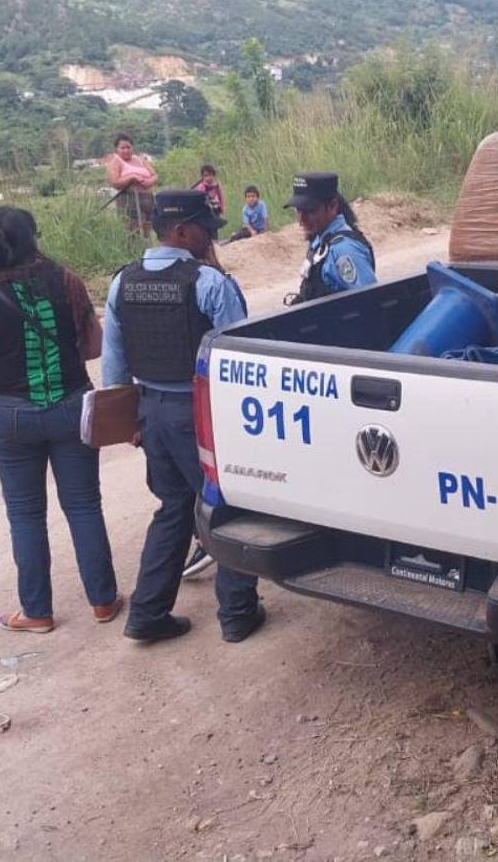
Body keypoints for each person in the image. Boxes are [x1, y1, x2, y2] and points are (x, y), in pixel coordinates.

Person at [101, 189, 265, 644]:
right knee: (227, 508)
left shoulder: (122, 282)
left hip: (151, 412)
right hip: (200, 416)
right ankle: (237, 612)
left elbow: (114, 364)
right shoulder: (208, 283)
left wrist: (130, 421)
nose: (210, 237)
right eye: (204, 229)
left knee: (173, 508)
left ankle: (147, 613)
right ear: (181, 231)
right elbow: (238, 357)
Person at [0, 207, 122, 634]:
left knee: (25, 514)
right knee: (84, 505)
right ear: (32, 238)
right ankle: (103, 600)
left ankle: (37, 611)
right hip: (72, 405)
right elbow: (94, 347)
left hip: (11, 413)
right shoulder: (67, 281)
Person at [285, 172, 376, 304]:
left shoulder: (344, 250)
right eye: (298, 210)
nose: (301, 219)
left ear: (332, 206)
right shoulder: (320, 241)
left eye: (310, 210)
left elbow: (370, 301)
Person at [106, 133, 158, 237]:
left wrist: (149, 181)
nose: (126, 150)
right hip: (129, 200)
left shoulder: (140, 159)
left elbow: (154, 175)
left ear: (132, 147)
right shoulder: (115, 161)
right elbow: (115, 182)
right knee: (132, 233)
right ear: (117, 149)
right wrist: (131, 177)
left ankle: (146, 246)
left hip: (147, 199)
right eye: (123, 148)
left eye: (128, 147)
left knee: (147, 233)